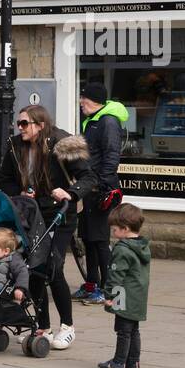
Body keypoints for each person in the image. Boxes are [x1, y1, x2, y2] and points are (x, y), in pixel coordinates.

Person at [0, 103, 96, 350]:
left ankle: (68, 326)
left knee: (53, 266)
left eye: (24, 124)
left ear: (40, 125)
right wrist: (17, 192)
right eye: (18, 124)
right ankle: (43, 327)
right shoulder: (14, 146)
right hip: (31, 214)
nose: (20, 129)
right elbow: (3, 178)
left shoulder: (63, 143)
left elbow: (89, 178)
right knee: (34, 267)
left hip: (59, 214)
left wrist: (70, 192)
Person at [75, 82, 128, 306]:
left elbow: (111, 156)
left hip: (100, 189)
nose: (80, 102)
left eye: (83, 98)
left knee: (99, 240)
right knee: (88, 238)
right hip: (89, 186)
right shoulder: (93, 120)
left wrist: (102, 185)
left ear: (94, 100)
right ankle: (91, 283)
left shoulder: (108, 121)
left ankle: (108, 290)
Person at [98, 203, 150, 368]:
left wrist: (109, 295)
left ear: (125, 229)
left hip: (124, 296)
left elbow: (115, 275)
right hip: (138, 295)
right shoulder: (142, 246)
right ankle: (133, 362)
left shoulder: (122, 249)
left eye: (115, 230)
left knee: (123, 331)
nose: (113, 233)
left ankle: (119, 362)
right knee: (134, 330)